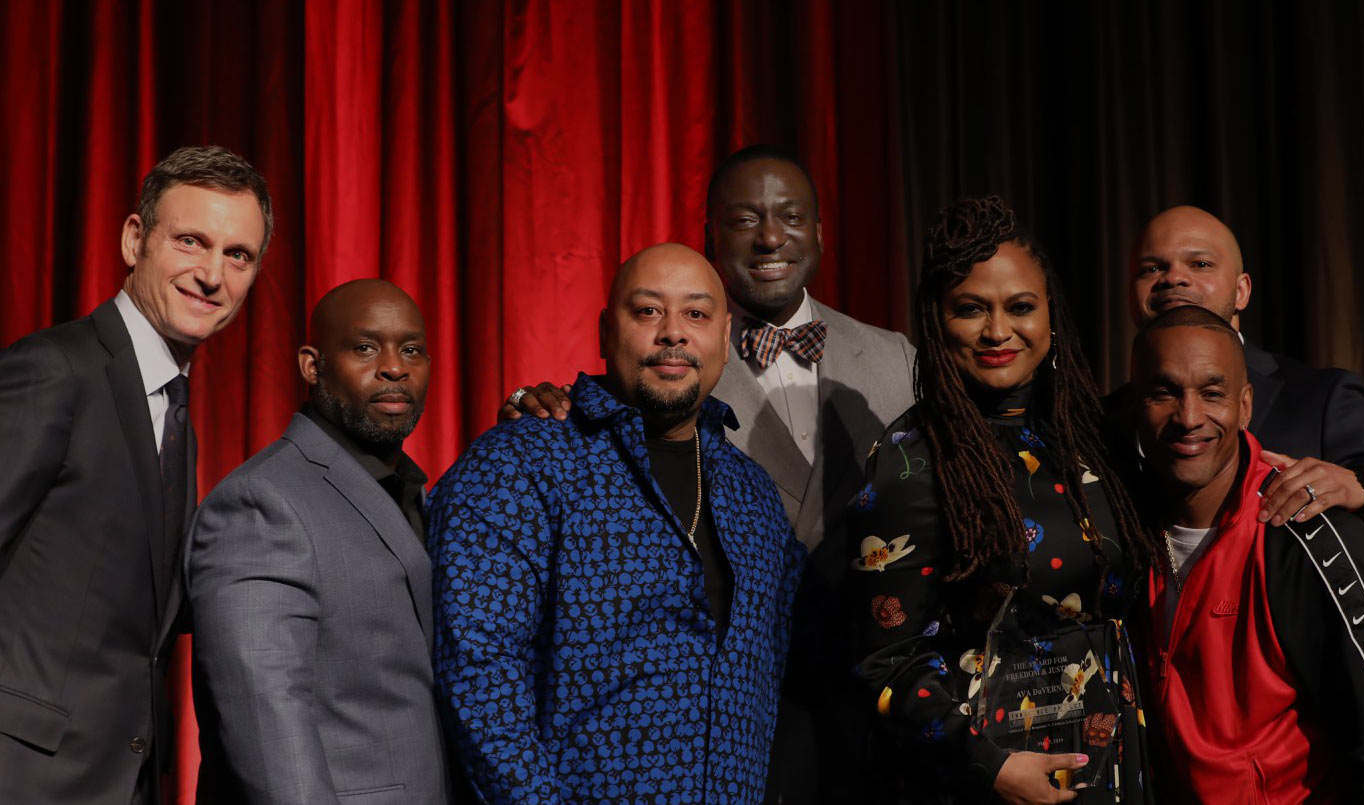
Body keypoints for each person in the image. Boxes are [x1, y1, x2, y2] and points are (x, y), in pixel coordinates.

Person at [500, 145, 915, 802]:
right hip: (725, 718)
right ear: (710, 235)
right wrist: (538, 402)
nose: (771, 235)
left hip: (872, 700)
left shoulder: (897, 359)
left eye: (790, 216)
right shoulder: (670, 358)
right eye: (746, 218)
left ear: (820, 232)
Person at [0, 146, 271, 804]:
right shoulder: (48, 374)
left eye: (238, 255)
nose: (212, 273)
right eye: (190, 241)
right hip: (9, 784)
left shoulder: (176, 416)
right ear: (134, 238)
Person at [430, 243, 804, 803]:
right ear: (608, 330)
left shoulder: (753, 495)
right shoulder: (519, 465)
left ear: (724, 338)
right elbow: (480, 677)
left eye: (696, 314)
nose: (673, 332)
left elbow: (772, 680)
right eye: (648, 311)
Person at [849, 196, 1156, 804]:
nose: (997, 331)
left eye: (1020, 307)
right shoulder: (912, 461)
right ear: (938, 321)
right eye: (971, 310)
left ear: (1050, 315)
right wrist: (988, 764)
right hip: (986, 785)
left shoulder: (1089, 435)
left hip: (1110, 769)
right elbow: (881, 663)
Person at [1127, 305, 1364, 802]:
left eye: (1213, 393)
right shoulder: (1115, 526)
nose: (1188, 418)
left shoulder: (1306, 535)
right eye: (1164, 393)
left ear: (1246, 405)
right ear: (1134, 403)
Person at [185, 279, 448, 804]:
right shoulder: (262, 502)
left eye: (412, 349)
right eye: (365, 348)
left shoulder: (419, 497)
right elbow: (265, 721)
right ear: (312, 365)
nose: (395, 367)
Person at [1119, 205, 1364, 588]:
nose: (1173, 279)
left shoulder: (1321, 398)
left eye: (1199, 264)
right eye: (1151, 269)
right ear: (1131, 297)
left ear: (1242, 290)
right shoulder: (1102, 419)